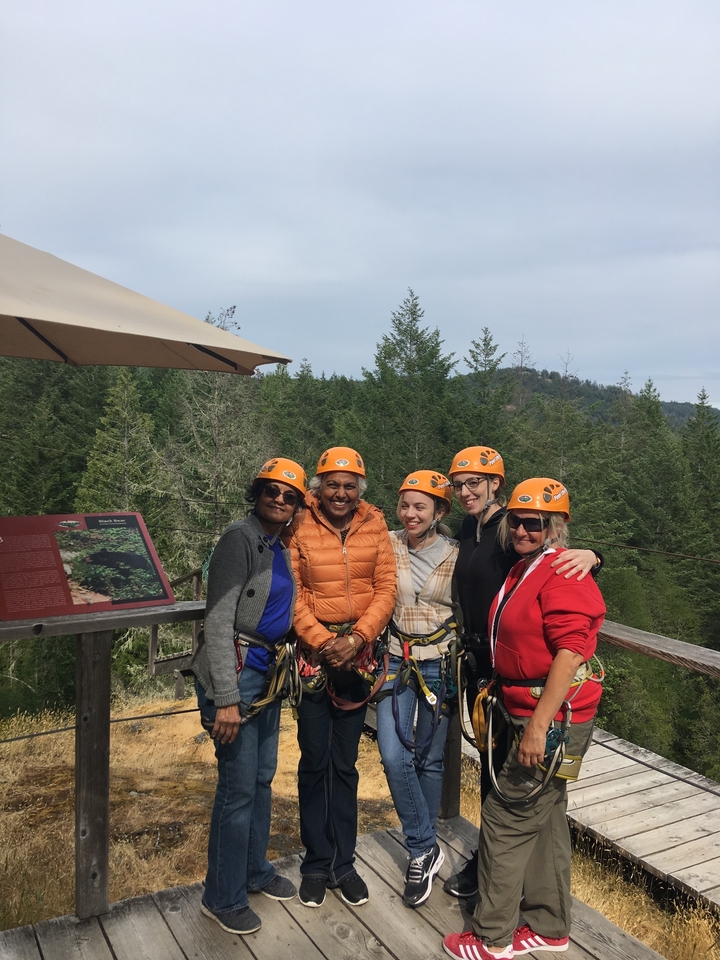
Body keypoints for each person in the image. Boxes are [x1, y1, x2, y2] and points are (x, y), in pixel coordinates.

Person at [443, 478, 605, 960]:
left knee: (505, 816)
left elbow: (572, 650)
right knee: (548, 816)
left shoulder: (562, 572)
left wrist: (538, 726)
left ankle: (491, 936)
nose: (521, 529)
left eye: (533, 523)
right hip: (522, 706)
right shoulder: (527, 567)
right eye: (516, 520)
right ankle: (550, 926)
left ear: (554, 527)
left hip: (550, 716)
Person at [191, 457, 307, 936]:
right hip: (236, 677)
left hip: (267, 673)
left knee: (260, 779)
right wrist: (226, 697)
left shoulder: (276, 543)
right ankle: (221, 896)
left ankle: (253, 871)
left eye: (289, 495)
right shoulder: (239, 539)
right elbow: (218, 621)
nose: (279, 500)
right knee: (236, 791)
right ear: (256, 492)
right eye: (271, 491)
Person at [287, 446, 396, 909]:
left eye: (349, 485)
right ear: (318, 486)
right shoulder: (299, 524)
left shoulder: (375, 525)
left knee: (345, 765)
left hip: (359, 653)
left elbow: (386, 587)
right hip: (315, 657)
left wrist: (357, 638)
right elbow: (291, 592)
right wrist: (320, 640)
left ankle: (343, 863)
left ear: (360, 490)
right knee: (315, 762)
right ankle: (316, 863)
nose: (341, 492)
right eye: (332, 483)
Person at [376, 470, 458, 908]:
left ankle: (424, 852)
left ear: (439, 511)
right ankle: (423, 845)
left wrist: (590, 554)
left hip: (441, 664)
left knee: (430, 760)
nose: (409, 513)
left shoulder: (459, 555)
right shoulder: (387, 543)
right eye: (405, 505)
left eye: (420, 506)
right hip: (396, 657)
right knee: (393, 753)